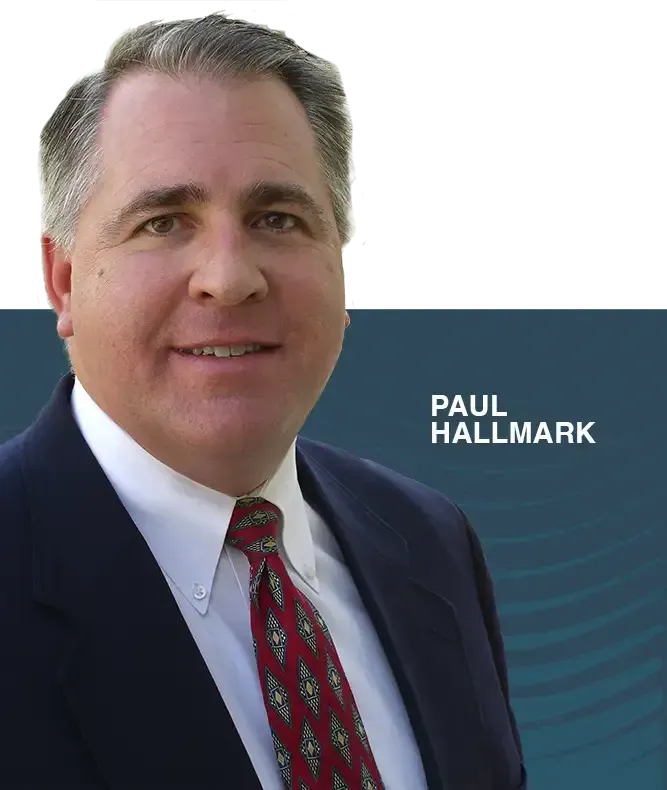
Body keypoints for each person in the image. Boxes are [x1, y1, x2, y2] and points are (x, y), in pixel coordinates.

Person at [0, 13, 526, 790]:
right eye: (164, 222)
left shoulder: (428, 541)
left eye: (275, 219)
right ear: (66, 279)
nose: (229, 276)